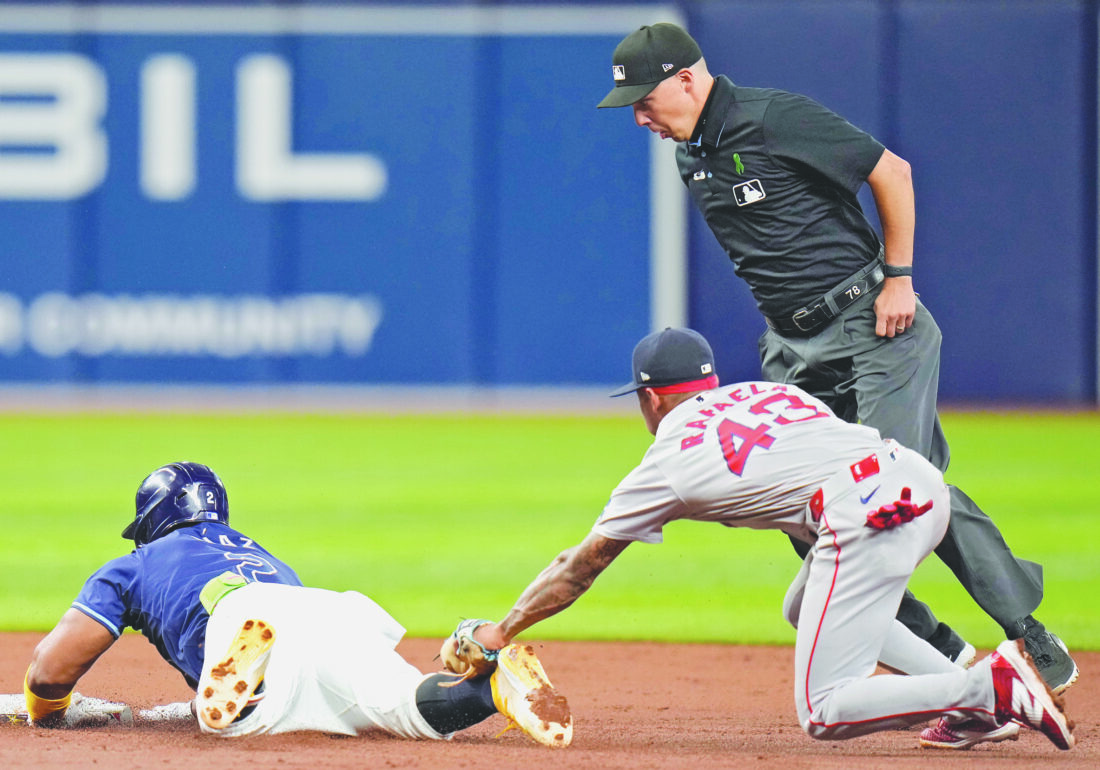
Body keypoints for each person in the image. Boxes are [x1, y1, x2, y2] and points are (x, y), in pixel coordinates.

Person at [595, 22, 1077, 693]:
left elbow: (892, 171)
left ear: (687, 78)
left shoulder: (773, 117)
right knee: (808, 510)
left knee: (897, 482)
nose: (640, 115)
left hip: (873, 319)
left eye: (647, 100)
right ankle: (945, 649)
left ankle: (1026, 629)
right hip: (796, 348)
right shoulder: (690, 155)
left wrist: (900, 278)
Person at [460, 327, 1074, 751]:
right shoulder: (769, 391)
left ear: (650, 399)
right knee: (800, 606)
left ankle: (988, 686)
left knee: (825, 711)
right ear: (710, 381)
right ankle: (973, 713)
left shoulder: (669, 455)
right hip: (916, 482)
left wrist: (502, 631)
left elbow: (580, 566)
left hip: (862, 511)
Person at [23, 462, 571, 747]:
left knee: (227, 726)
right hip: (321, 606)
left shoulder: (137, 562)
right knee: (410, 710)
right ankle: (496, 688)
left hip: (235, 614)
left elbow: (51, 670)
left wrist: (47, 713)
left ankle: (248, 688)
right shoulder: (261, 553)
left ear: (151, 522)